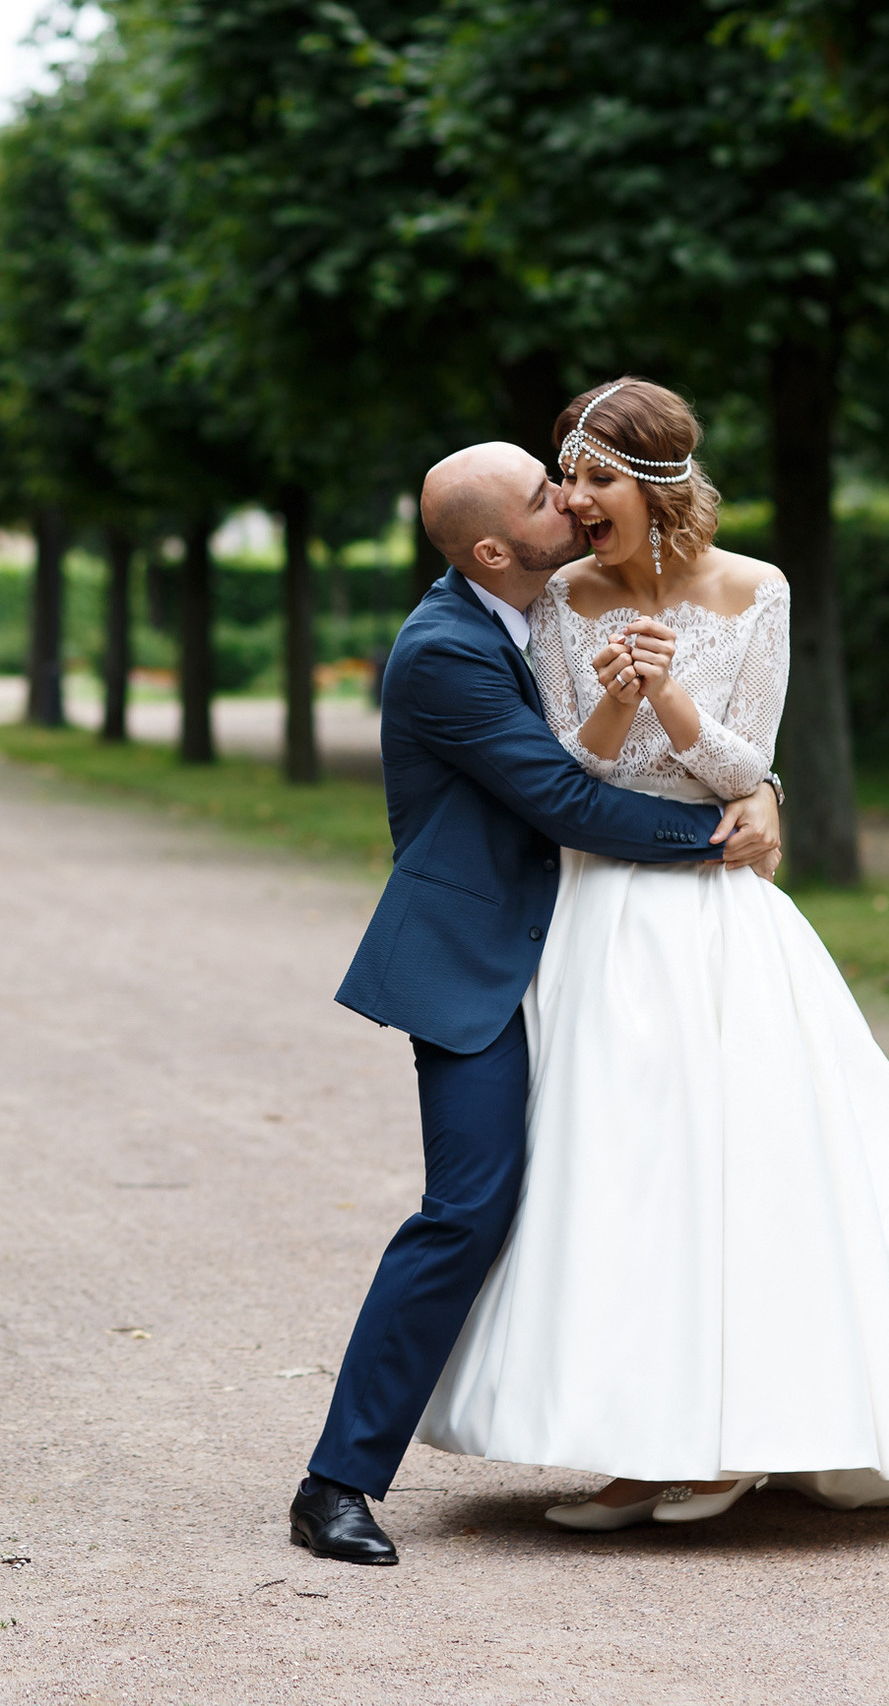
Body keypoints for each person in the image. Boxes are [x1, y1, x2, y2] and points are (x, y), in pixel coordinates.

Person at [416, 378, 889, 1529]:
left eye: (597, 479)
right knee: (619, 1178)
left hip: (716, 916)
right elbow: (561, 776)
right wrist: (609, 702)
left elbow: (747, 769)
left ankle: (734, 1443)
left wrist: (671, 696)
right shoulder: (559, 602)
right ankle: (637, 1448)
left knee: (739, 1170)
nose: (578, 502)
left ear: (653, 485)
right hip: (601, 915)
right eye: (568, 479)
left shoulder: (757, 589)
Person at [291, 437, 786, 1565]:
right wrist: (725, 832)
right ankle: (333, 1484)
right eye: (541, 494)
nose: (566, 499)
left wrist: (760, 783)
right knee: (469, 1203)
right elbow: (566, 796)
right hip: (475, 959)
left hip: (576, 949)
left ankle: (670, 1438)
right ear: (493, 547)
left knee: (629, 1184)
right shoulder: (444, 651)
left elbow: (653, 742)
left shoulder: (546, 606)